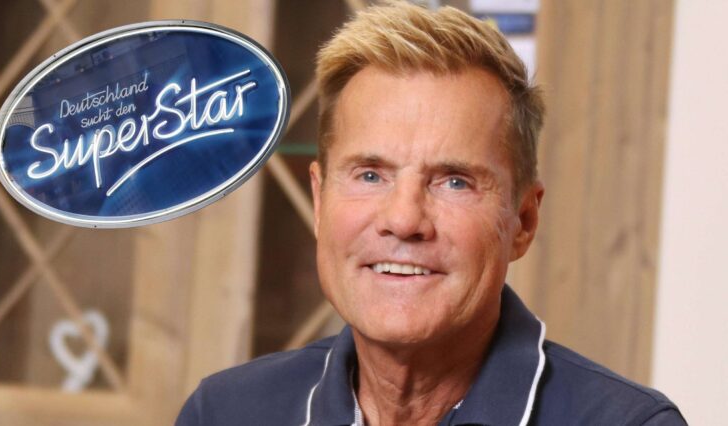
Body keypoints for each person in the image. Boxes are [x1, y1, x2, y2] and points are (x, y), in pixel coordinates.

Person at [176, 2, 686, 425]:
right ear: (320, 200)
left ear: (523, 222)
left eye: (454, 181)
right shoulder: (222, 413)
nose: (403, 220)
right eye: (370, 175)